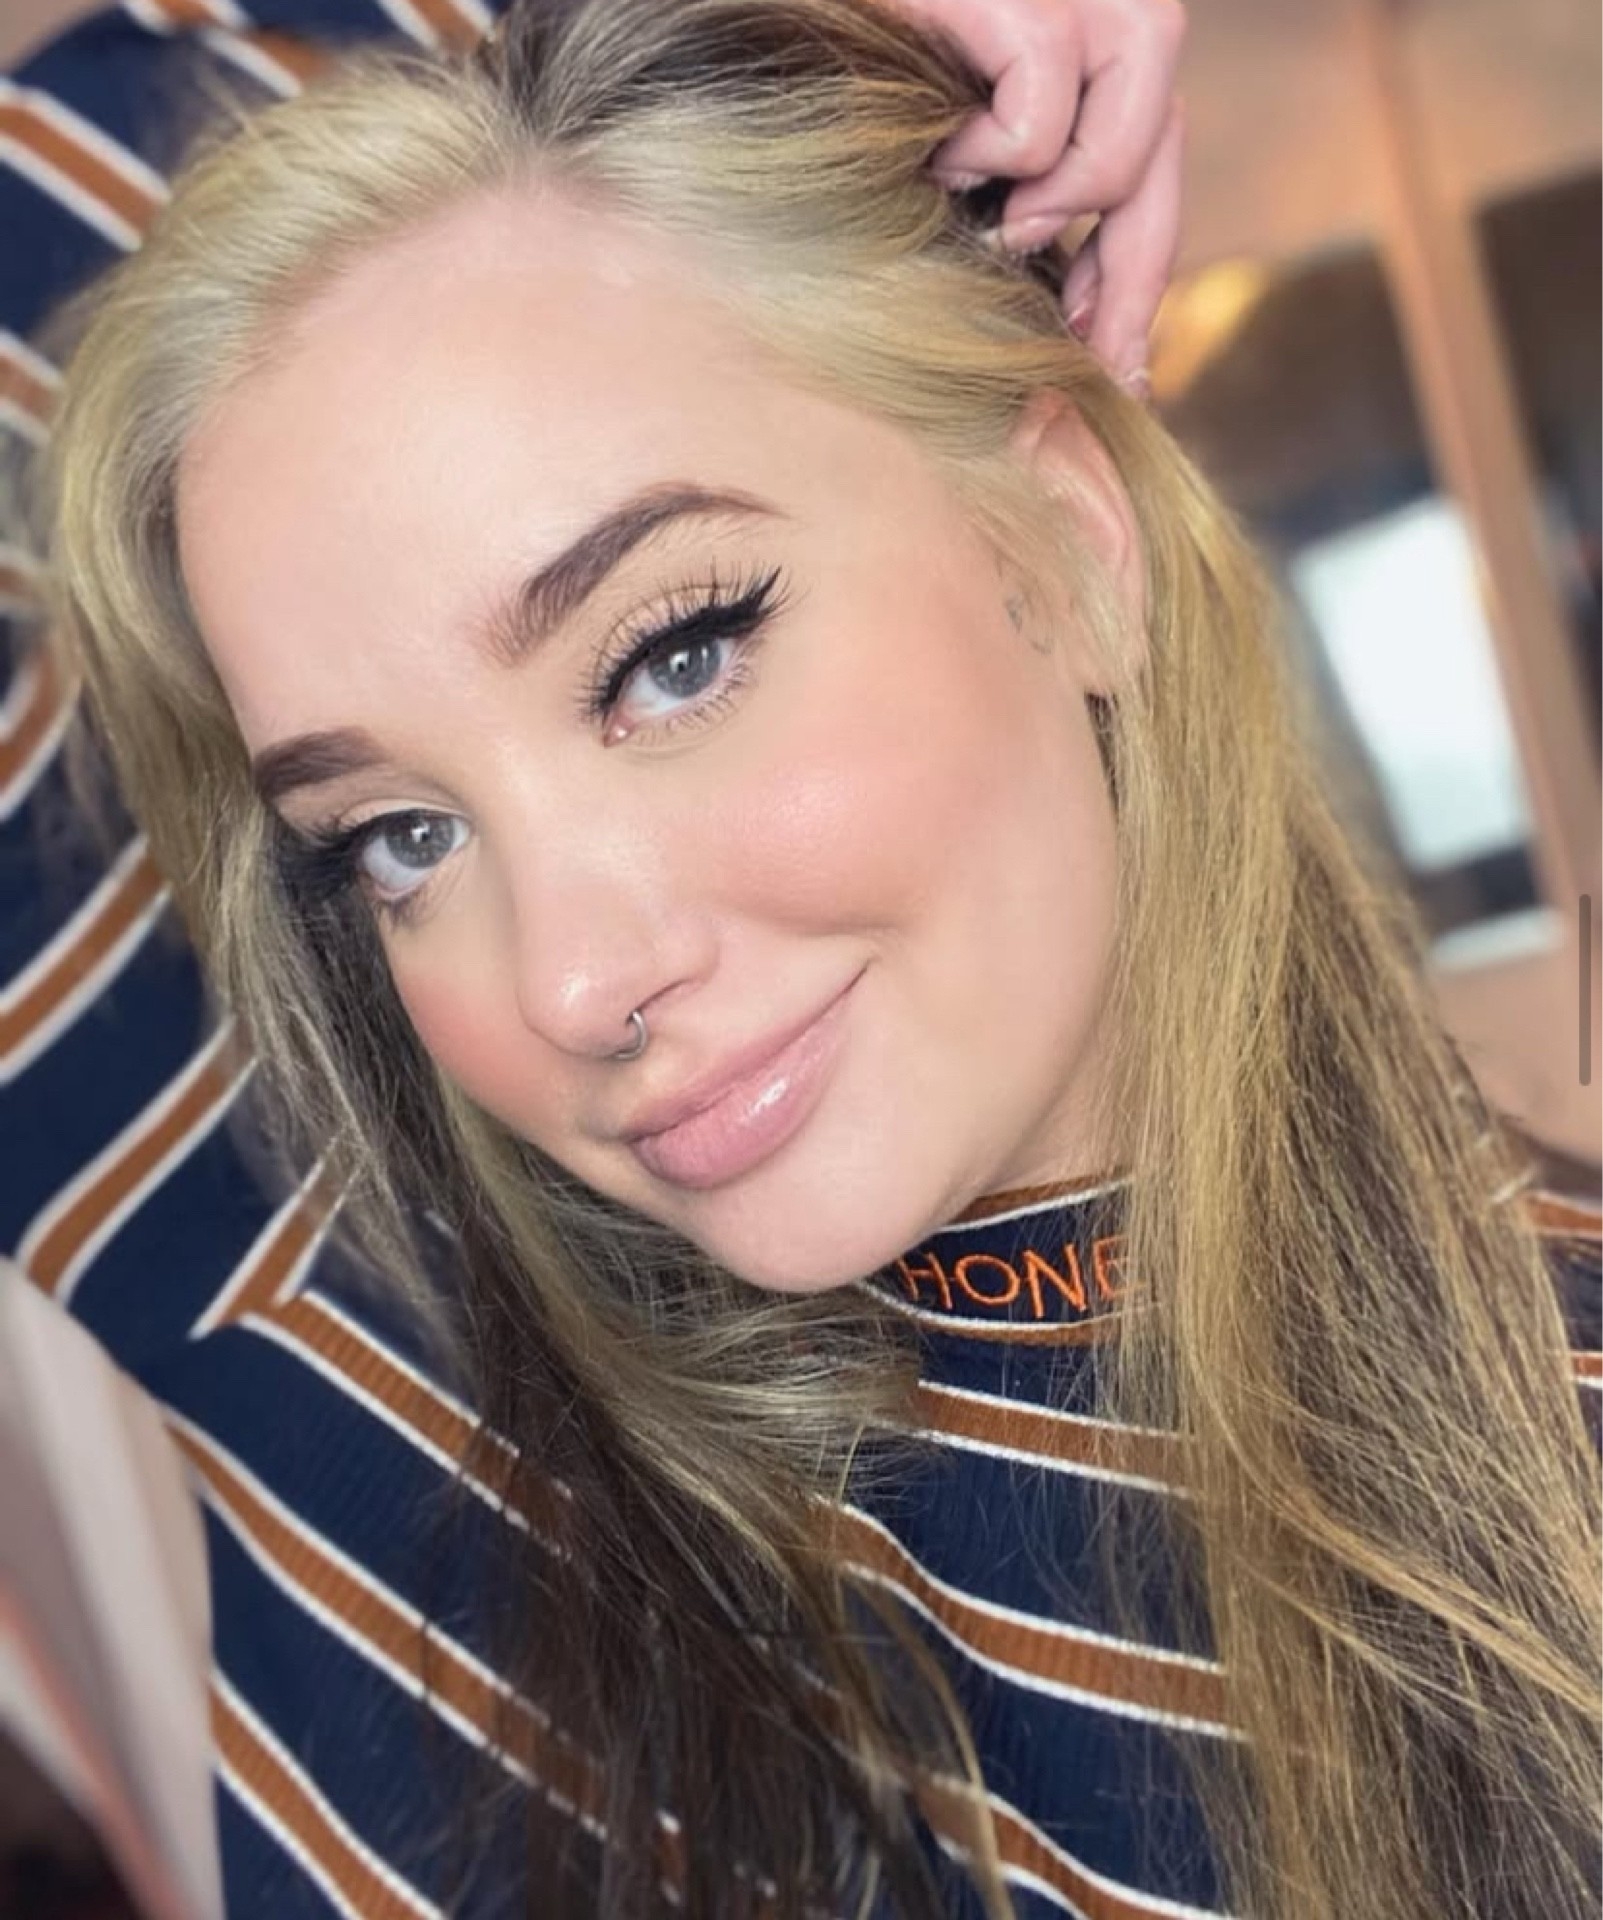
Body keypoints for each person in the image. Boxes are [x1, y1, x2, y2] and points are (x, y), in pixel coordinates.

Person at [5, 1, 1599, 1918]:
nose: (571, 982)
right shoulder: (379, 1337)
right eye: (401, 837)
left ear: (1066, 545)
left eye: (673, 657)